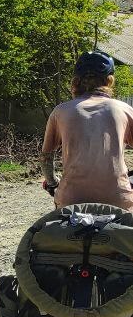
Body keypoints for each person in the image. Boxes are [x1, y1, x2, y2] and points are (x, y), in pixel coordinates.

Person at [40, 51, 133, 211]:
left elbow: (46, 157)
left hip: (71, 201)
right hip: (118, 200)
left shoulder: (61, 111)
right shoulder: (125, 109)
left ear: (76, 80)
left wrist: (52, 184)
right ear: (109, 80)